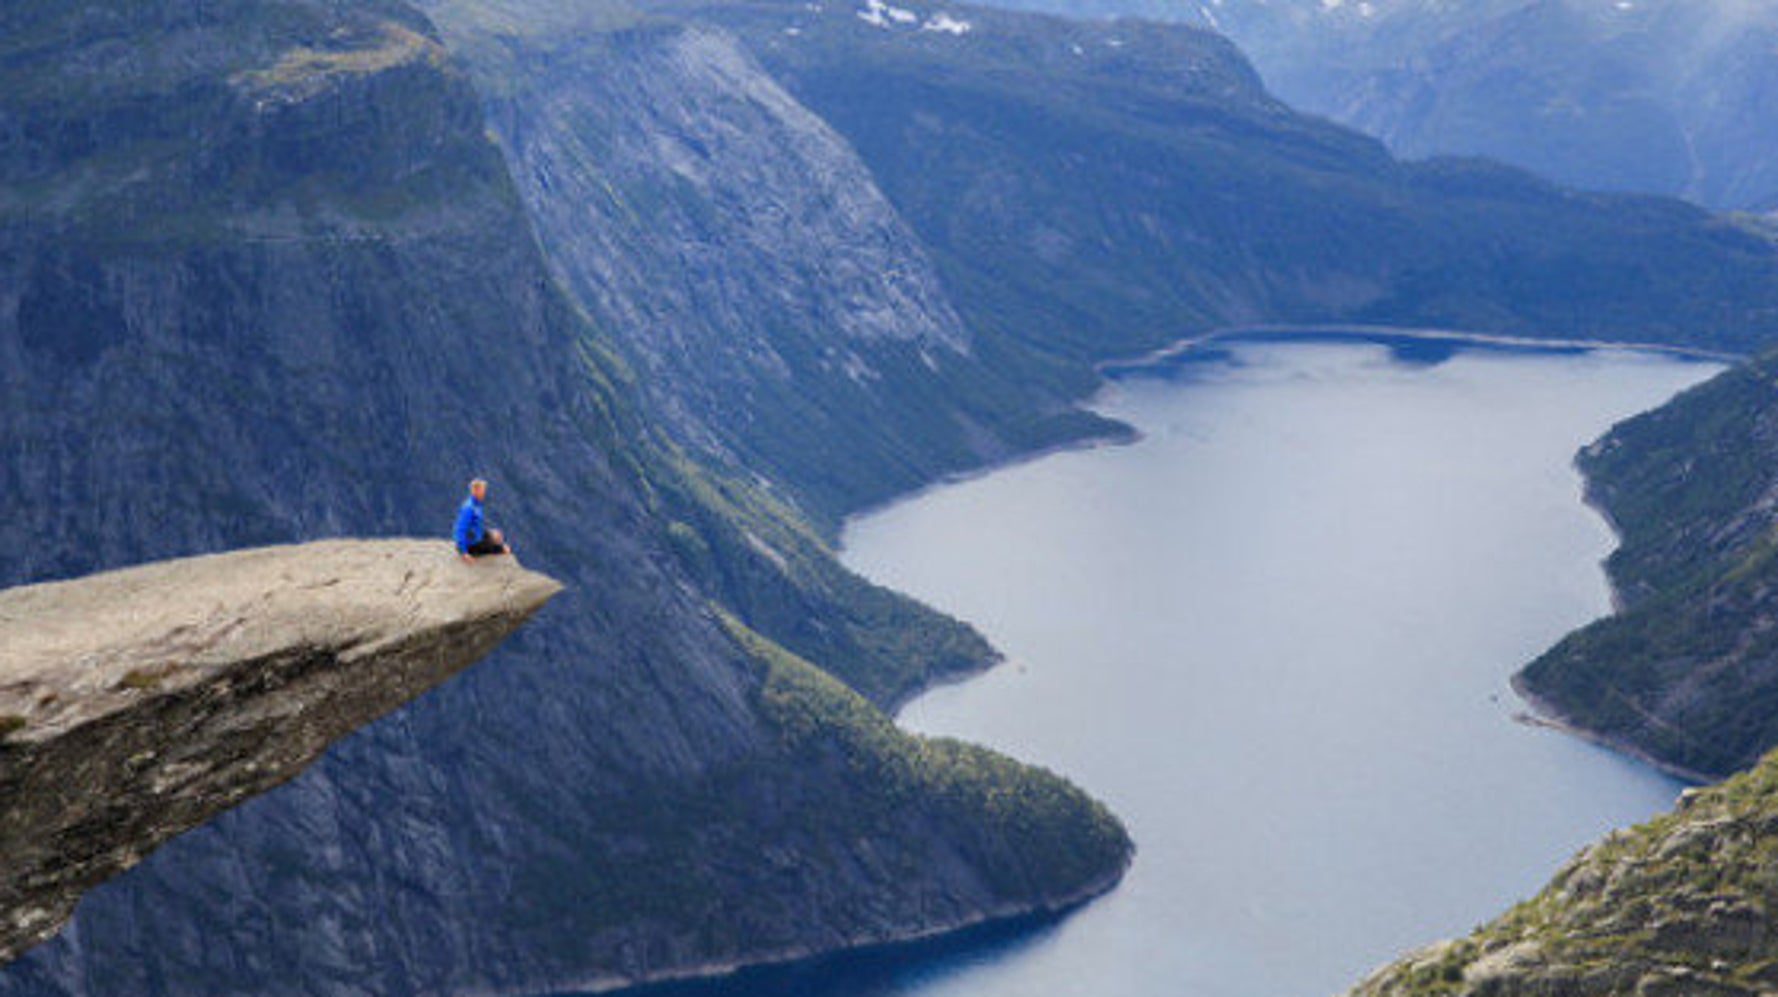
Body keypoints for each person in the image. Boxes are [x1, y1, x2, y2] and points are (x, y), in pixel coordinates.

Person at [454, 478, 511, 562]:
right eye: (482, 490)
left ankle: (491, 538)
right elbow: (460, 529)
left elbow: (475, 525)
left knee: (496, 534)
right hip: (470, 545)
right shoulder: (468, 508)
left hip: (475, 535)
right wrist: (464, 553)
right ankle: (499, 548)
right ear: (475, 491)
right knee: (501, 549)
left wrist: (490, 533)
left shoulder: (476, 504)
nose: (484, 493)